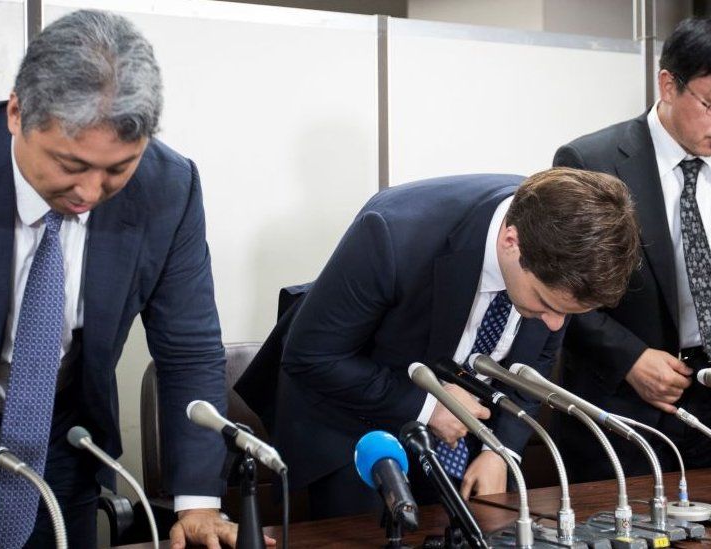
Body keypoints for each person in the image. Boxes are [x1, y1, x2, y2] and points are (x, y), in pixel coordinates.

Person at [0, 10, 259, 549]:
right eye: (70, 164)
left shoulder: (169, 186)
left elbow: (189, 349)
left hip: (67, 449)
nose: (90, 192)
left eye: (117, 169)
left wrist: (197, 501)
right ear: (17, 112)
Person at [259, 168, 640, 519]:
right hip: (355, 427)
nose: (556, 324)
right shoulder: (393, 233)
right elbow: (311, 356)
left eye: (567, 313)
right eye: (545, 303)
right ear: (511, 242)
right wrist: (429, 407)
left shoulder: (560, 237)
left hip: (466, 437)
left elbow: (533, 368)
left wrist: (499, 451)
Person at [553, 15, 711, 481]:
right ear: (668, 84)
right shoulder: (592, 161)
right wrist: (631, 359)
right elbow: (558, 289)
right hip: (623, 403)